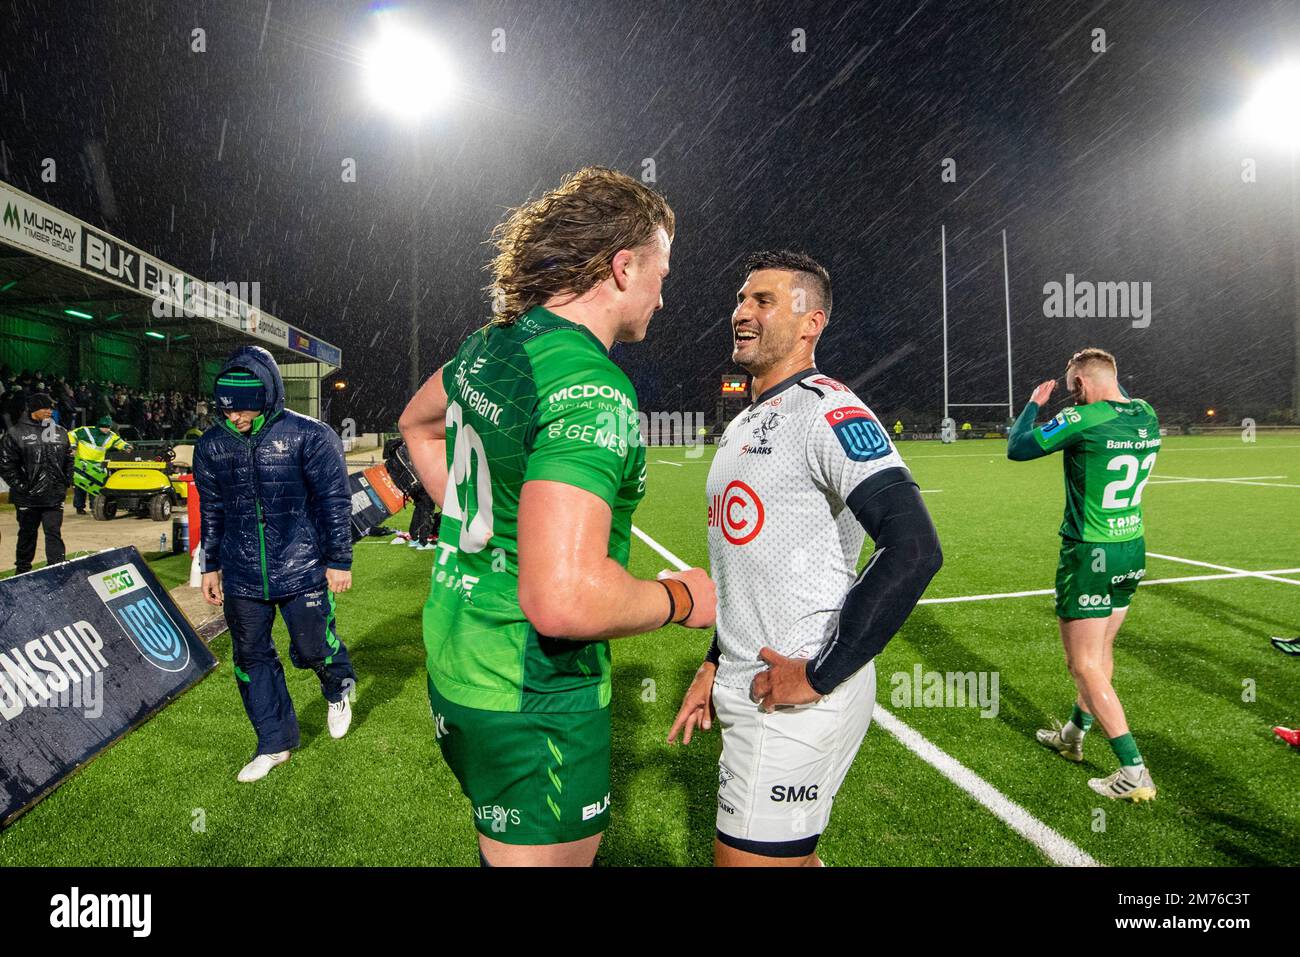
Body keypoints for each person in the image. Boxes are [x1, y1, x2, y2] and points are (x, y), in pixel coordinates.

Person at [398, 166, 716, 867]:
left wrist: (477, 532)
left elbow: (416, 426)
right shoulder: (590, 387)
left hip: (457, 669)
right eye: (663, 271)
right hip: (534, 700)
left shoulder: (494, 343)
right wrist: (684, 597)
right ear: (624, 267)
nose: (665, 296)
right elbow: (563, 601)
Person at [668, 251, 942, 866]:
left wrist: (820, 674)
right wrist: (715, 663)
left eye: (762, 301)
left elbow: (915, 548)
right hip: (750, 680)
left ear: (810, 322)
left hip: (795, 692)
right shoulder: (743, 424)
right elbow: (747, 570)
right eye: (740, 300)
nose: (741, 313)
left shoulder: (827, 410)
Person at [193, 346, 358, 783]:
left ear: (266, 397)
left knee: (312, 648)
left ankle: (338, 687)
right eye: (227, 410)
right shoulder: (211, 445)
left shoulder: (311, 435)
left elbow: (334, 502)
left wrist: (339, 559)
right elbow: (212, 509)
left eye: (244, 409)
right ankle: (274, 742)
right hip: (241, 573)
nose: (236, 418)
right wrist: (210, 565)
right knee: (250, 657)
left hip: (302, 567)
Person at [1007, 348, 1160, 802]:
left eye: (1074, 387)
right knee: (1103, 650)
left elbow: (1017, 448)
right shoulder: (1145, 413)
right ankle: (1074, 734)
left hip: (1089, 552)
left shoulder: (1081, 419)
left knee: (1084, 664)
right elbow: (1117, 392)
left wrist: (1035, 403)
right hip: (1131, 546)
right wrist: (1094, 374)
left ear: (1081, 387)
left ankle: (1133, 769)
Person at [0, 392, 75, 574]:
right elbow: (5, 464)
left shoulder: (60, 432)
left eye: (51, 408)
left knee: (53, 532)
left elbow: (69, 459)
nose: (49, 411)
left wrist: (66, 480)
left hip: (54, 495)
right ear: (34, 409)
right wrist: (22, 486)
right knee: (27, 534)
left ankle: (57, 570)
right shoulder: (16, 433)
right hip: (27, 498)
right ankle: (23, 571)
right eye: (45, 408)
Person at [69, 416, 132, 514]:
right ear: (99, 426)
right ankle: (79, 507)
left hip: (97, 464)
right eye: (104, 427)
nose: (106, 429)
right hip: (82, 463)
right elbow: (71, 434)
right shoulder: (85, 430)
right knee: (80, 487)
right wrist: (73, 446)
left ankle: (94, 507)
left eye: (108, 427)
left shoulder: (111, 435)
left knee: (96, 486)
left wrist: (125, 446)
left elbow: (118, 442)